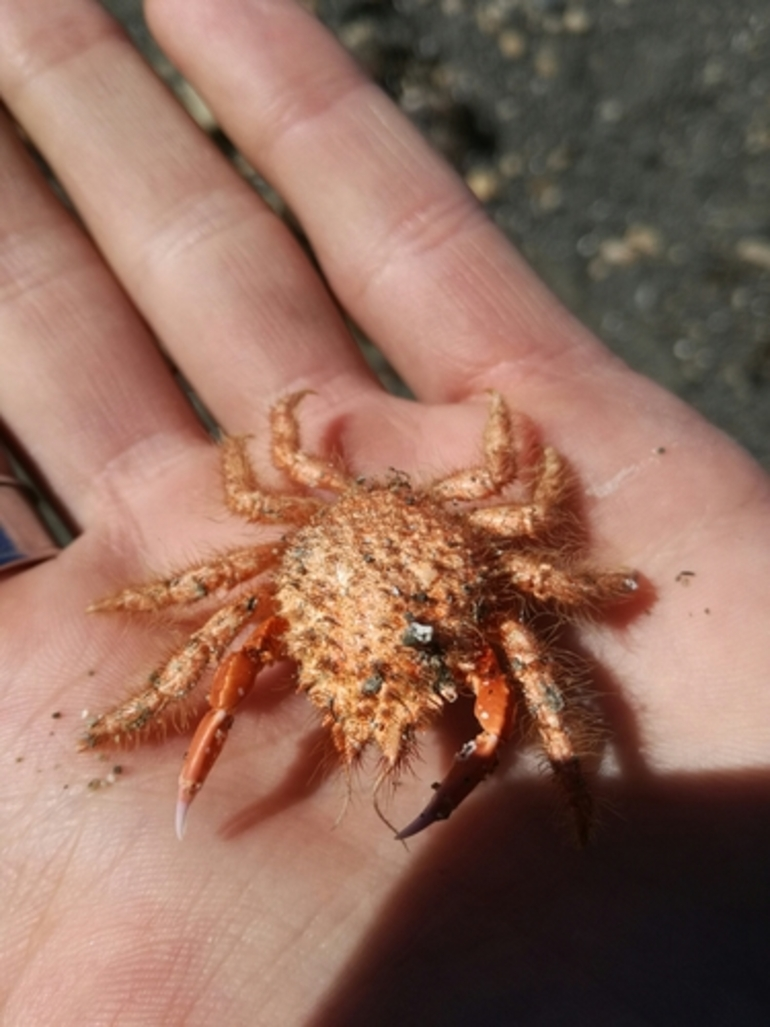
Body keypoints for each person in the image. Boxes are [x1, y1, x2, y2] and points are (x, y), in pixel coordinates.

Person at [1, 0, 768, 1022]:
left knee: (526, 660)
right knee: (220, 656)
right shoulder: (286, 553)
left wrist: (601, 587)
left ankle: (583, 793)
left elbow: (542, 535)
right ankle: (151, 730)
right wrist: (133, 690)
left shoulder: (474, 572)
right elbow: (219, 561)